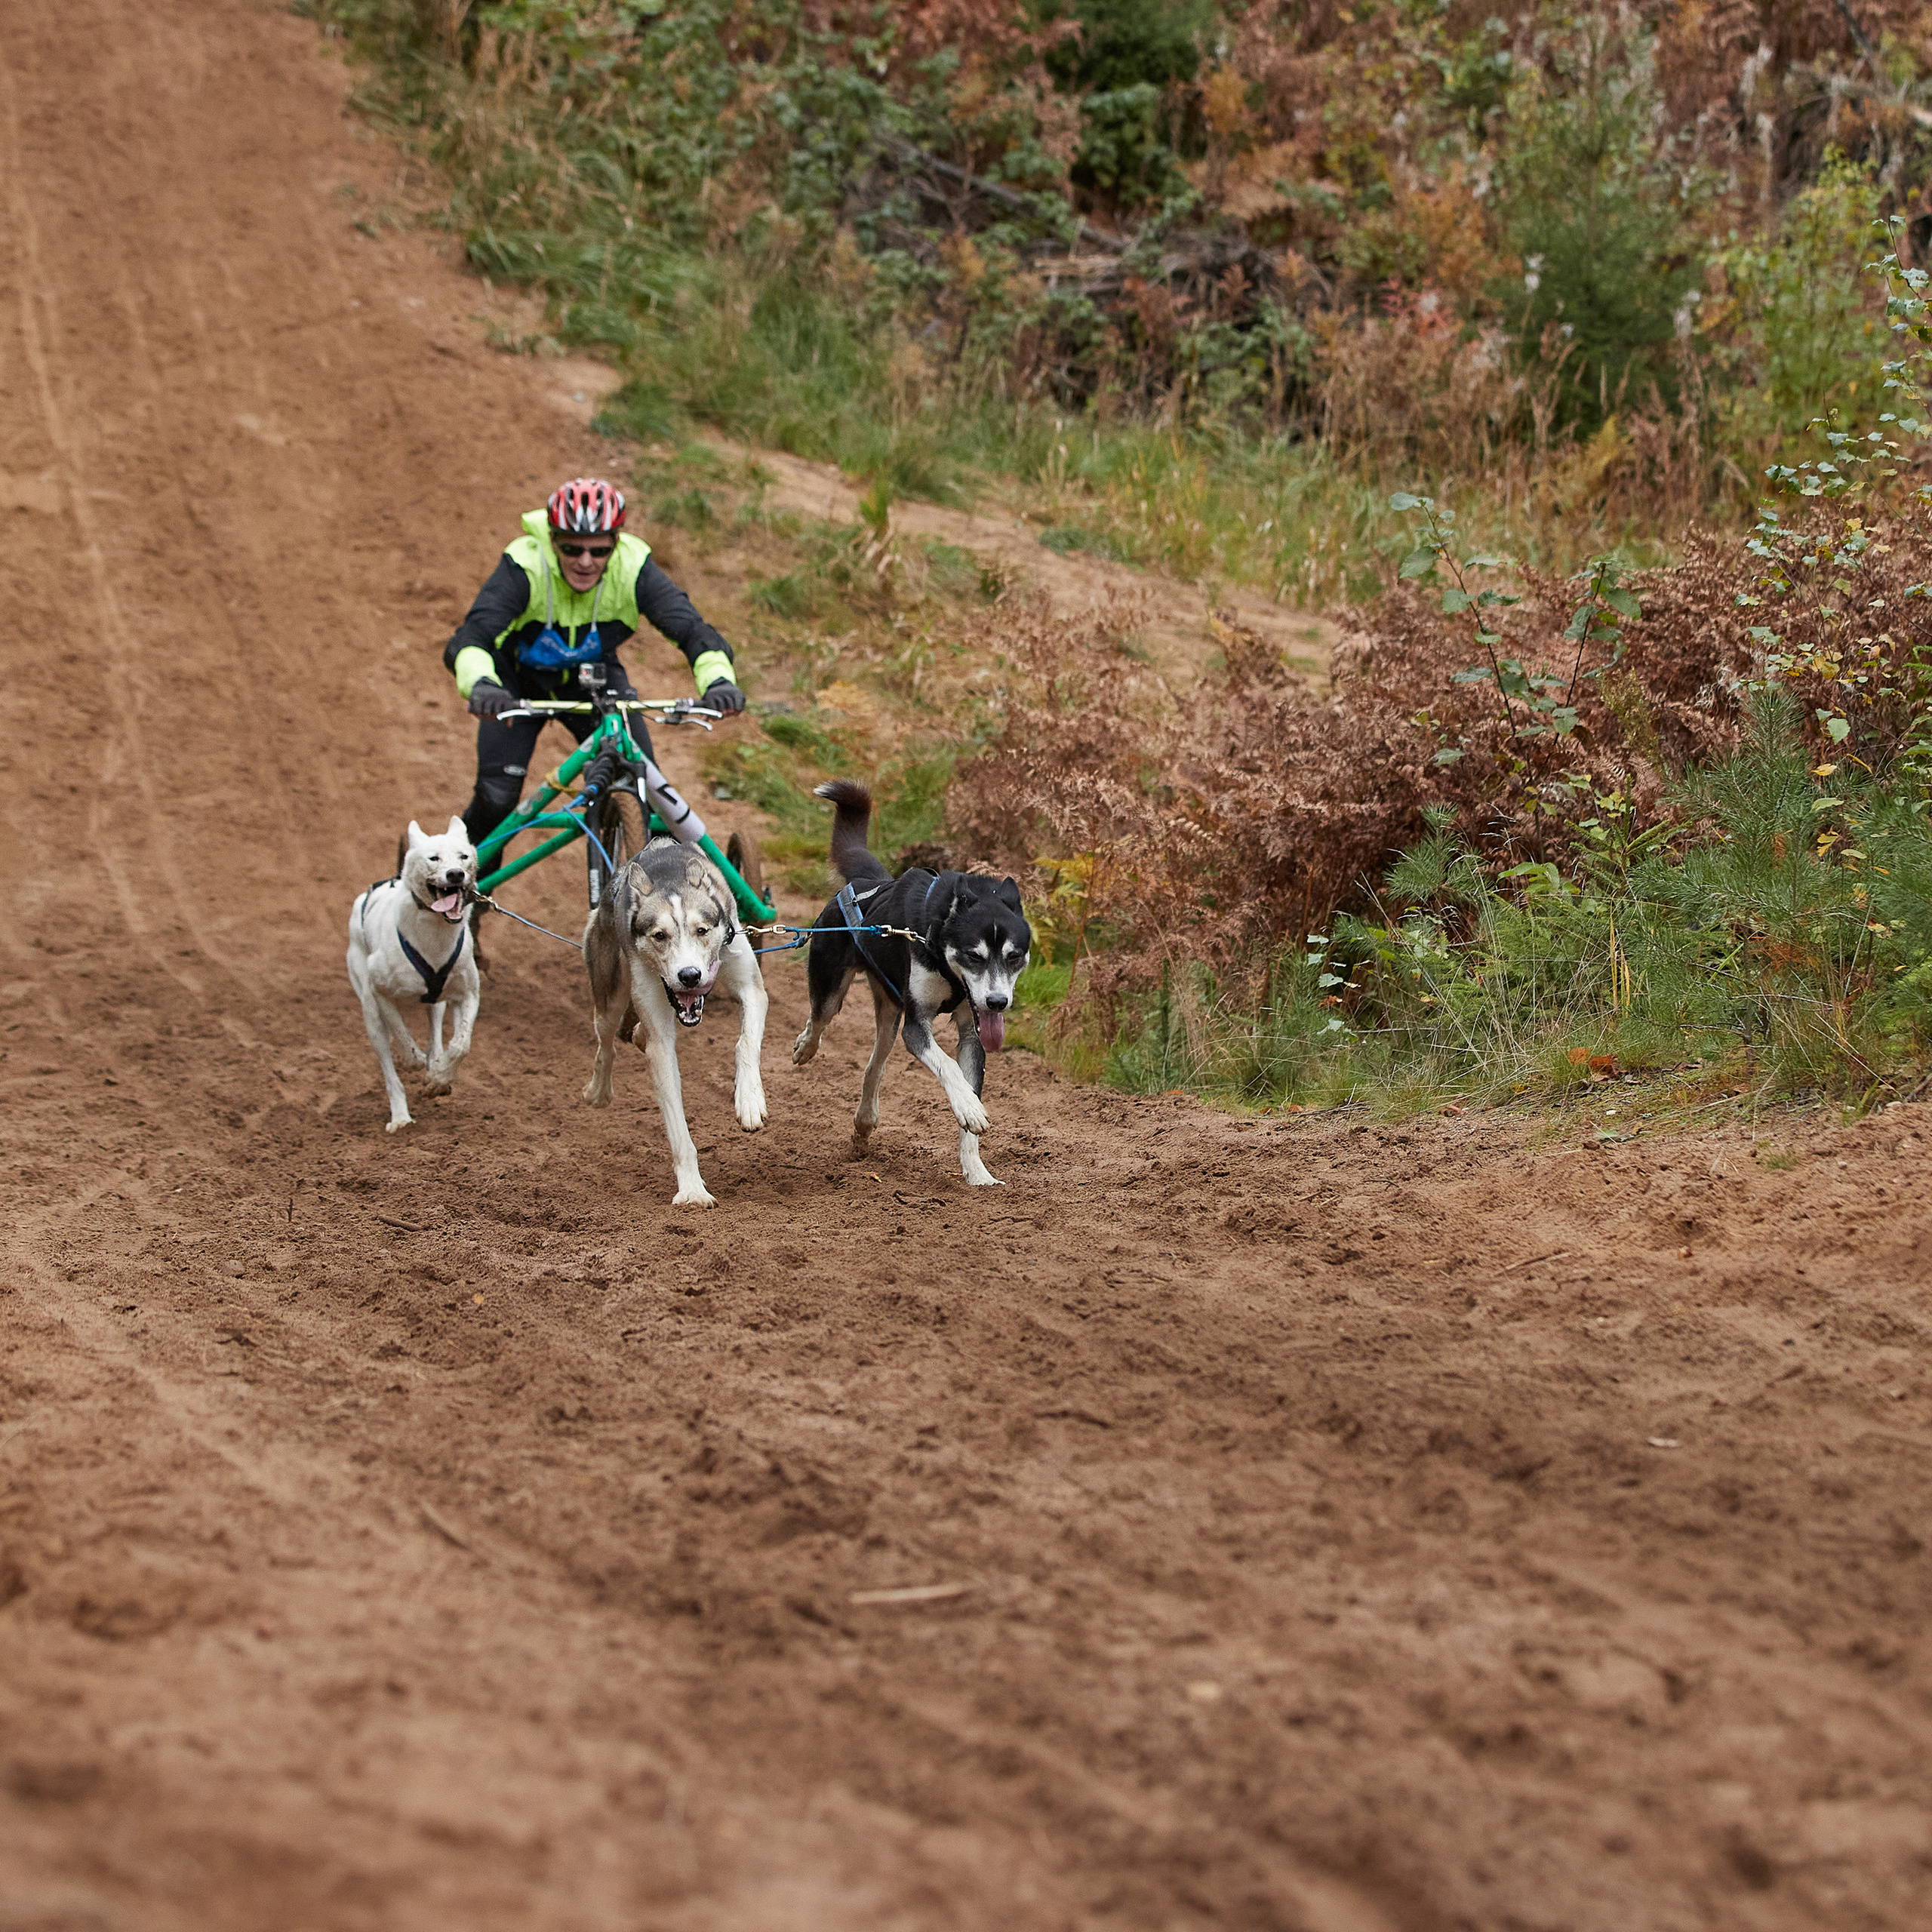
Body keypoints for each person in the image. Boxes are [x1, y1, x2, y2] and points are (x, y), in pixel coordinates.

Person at [444, 476, 745, 847]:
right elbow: (472, 638)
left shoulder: (634, 567)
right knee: (497, 799)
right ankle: (464, 895)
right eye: (571, 549)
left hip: (594, 679)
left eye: (599, 551)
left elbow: (692, 631)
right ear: (552, 540)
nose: (586, 562)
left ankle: (667, 884)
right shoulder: (525, 562)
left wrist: (718, 681)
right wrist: (482, 686)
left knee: (648, 791)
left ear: (615, 543)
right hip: (514, 681)